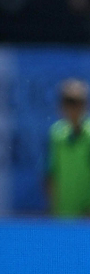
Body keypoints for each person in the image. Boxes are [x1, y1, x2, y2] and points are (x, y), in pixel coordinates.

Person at [46, 78, 90, 217]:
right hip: (62, 215)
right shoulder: (56, 134)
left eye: (77, 102)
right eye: (68, 101)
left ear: (84, 105)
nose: (73, 107)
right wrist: (54, 207)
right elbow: (49, 173)